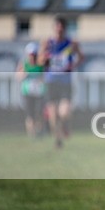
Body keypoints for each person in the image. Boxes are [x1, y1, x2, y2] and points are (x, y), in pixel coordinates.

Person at [40, 17, 83, 149]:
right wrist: (45, 59)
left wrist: (73, 65)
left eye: (62, 27)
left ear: (65, 29)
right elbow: (39, 61)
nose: (59, 30)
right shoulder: (47, 43)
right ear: (54, 28)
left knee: (64, 112)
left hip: (65, 82)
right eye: (57, 27)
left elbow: (81, 57)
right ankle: (58, 139)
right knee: (53, 114)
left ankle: (64, 125)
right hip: (51, 82)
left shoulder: (71, 44)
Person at [16, 42, 45, 138]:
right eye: (31, 54)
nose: (32, 56)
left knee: (39, 113)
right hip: (27, 92)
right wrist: (25, 73)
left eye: (34, 54)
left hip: (39, 92)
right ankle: (32, 135)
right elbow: (18, 76)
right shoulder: (24, 64)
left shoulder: (40, 64)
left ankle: (39, 132)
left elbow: (45, 77)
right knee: (30, 115)